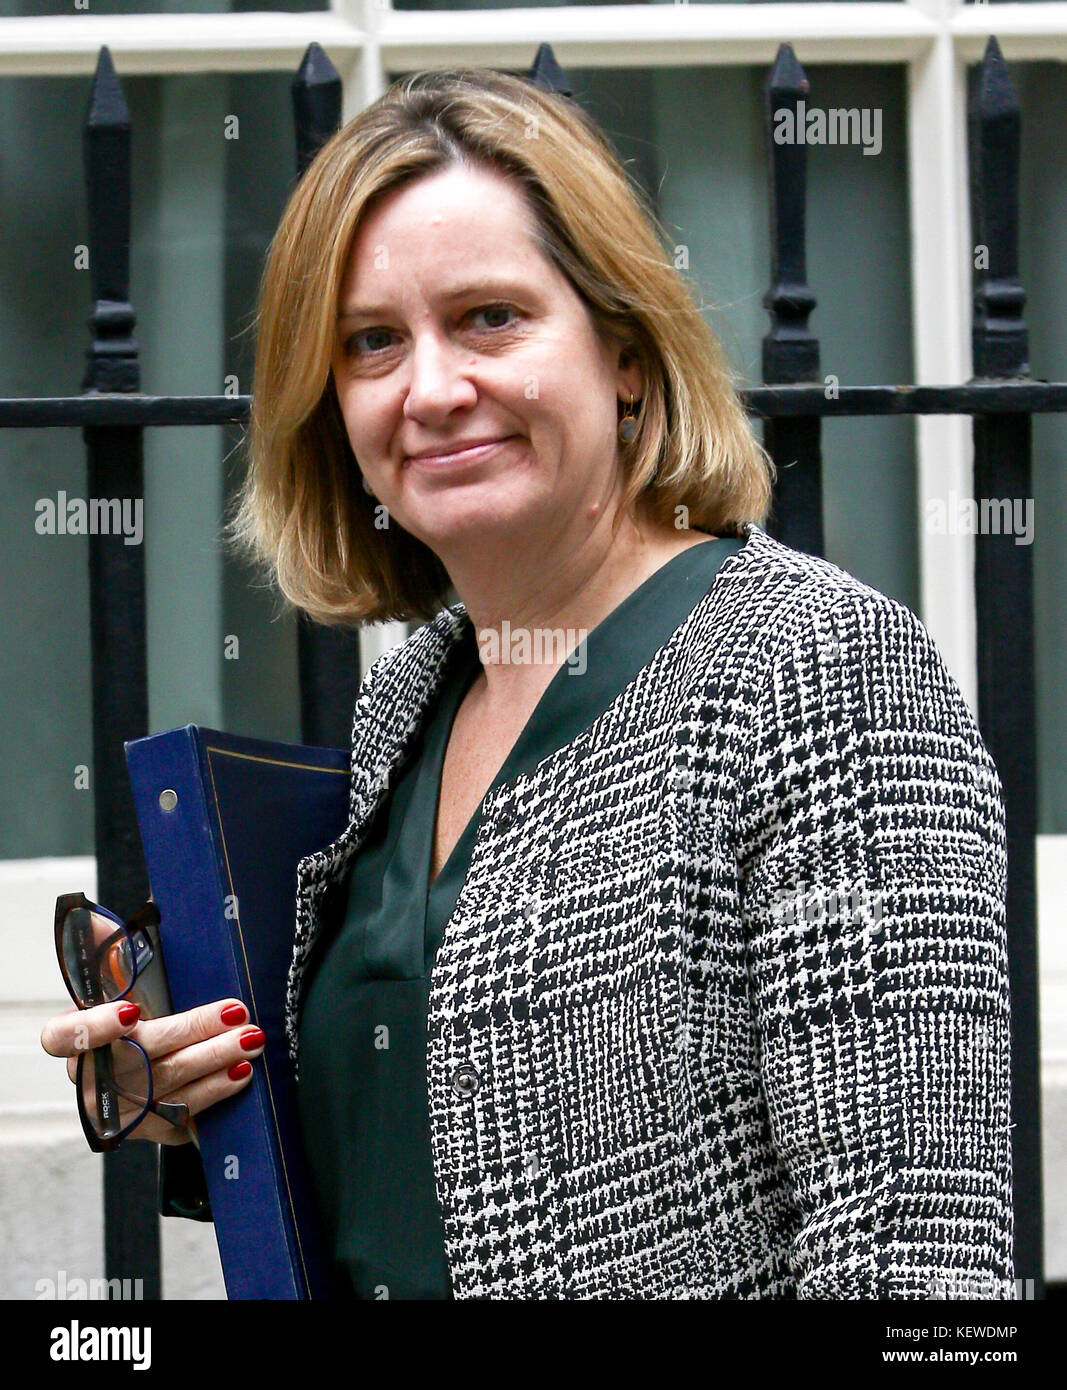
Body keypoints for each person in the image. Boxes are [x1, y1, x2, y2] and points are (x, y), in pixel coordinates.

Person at [41, 67, 1013, 1300]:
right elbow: (424, 1144)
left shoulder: (819, 671)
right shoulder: (411, 702)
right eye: (371, 343)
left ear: (622, 350)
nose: (432, 389)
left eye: (490, 316)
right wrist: (197, 1095)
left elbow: (917, 1260)